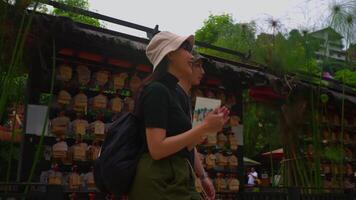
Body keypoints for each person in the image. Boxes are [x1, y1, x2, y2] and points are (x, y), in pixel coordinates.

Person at [128, 31, 230, 200]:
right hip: (159, 180)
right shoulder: (157, 90)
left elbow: (187, 146)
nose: (191, 56)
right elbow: (157, 149)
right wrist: (204, 126)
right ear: (169, 54)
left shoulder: (174, 93)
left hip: (177, 177)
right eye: (186, 49)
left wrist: (208, 127)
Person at [176, 49, 217, 199]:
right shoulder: (174, 95)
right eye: (197, 66)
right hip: (170, 179)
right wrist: (205, 126)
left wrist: (203, 176)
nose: (203, 71)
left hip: (182, 175)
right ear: (185, 66)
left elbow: (190, 144)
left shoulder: (185, 97)